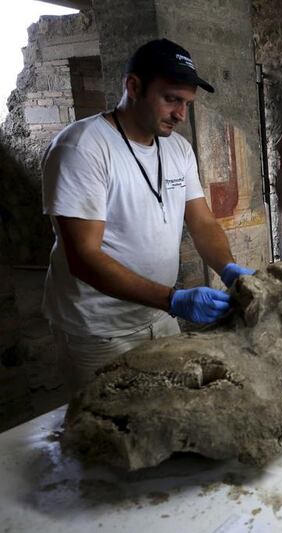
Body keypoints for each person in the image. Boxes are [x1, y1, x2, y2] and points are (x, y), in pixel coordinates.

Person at [41, 39, 254, 393]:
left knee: (166, 412)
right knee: (110, 434)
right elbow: (83, 257)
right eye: (171, 99)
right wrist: (174, 299)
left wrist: (228, 268)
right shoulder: (82, 148)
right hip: (99, 330)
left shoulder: (177, 149)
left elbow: (201, 223)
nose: (180, 115)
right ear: (134, 87)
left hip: (159, 316)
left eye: (186, 103)